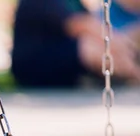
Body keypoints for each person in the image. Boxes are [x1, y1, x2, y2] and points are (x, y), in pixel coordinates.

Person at [11, 0, 140, 88]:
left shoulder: (74, 2)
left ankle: (126, 73)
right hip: (33, 63)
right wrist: (119, 42)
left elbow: (90, 22)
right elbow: (78, 25)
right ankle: (134, 74)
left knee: (99, 45)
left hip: (61, 54)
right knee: (90, 47)